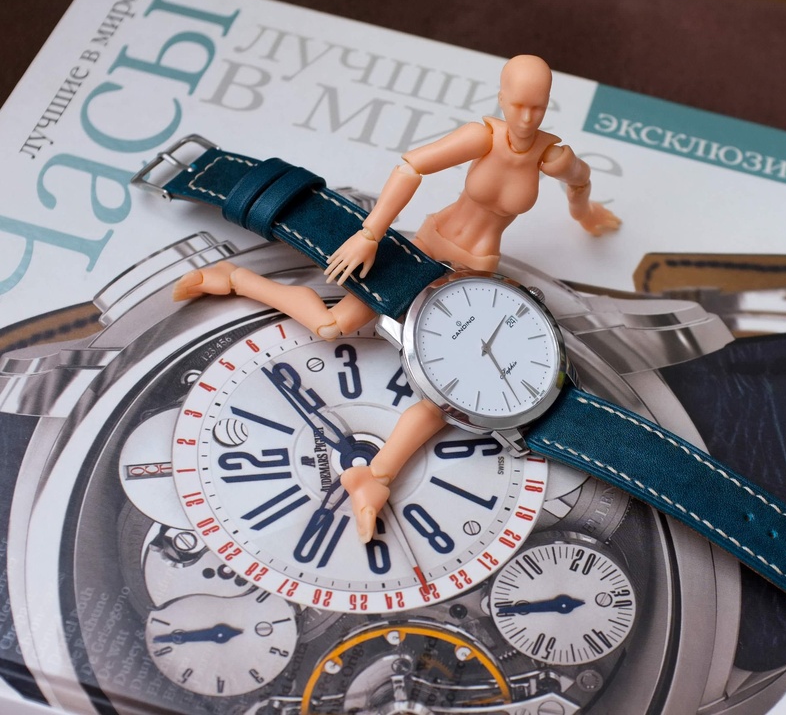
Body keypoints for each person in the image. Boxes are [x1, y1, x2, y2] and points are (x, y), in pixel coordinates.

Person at [173, 54, 619, 542]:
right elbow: (411, 166)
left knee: (451, 394)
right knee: (334, 325)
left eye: (538, 107)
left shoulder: (552, 156)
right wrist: (369, 234)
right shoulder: (482, 137)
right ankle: (236, 280)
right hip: (426, 246)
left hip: (476, 269)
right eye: (518, 105)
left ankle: (376, 477)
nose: (528, 118)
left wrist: (587, 214)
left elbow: (580, 182)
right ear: (501, 98)